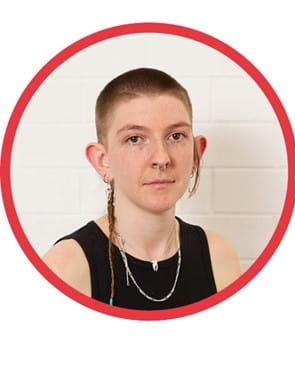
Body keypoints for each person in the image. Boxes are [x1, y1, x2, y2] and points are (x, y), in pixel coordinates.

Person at [42, 68, 241, 310]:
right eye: (135, 139)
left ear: (196, 152)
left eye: (176, 136)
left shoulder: (217, 256)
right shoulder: (67, 267)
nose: (161, 158)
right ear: (102, 160)